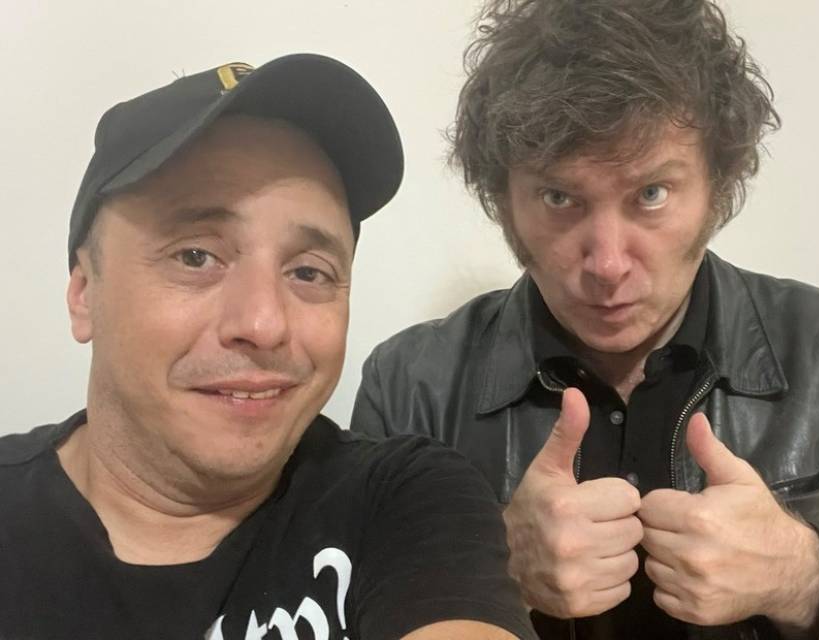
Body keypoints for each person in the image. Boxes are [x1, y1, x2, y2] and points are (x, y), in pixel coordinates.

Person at [351, 2, 819, 638]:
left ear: (718, 187)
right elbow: (353, 616)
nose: (608, 264)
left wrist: (803, 577)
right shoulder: (410, 388)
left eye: (651, 194)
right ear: (503, 201)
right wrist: (495, 569)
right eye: (559, 197)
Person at [0, 54, 536, 640]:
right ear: (84, 293)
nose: (263, 323)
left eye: (308, 271)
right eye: (195, 256)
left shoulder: (405, 501)